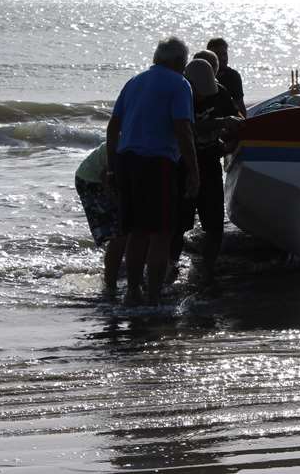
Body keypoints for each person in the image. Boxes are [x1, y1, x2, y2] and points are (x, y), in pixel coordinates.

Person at [106, 38, 199, 306]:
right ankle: (154, 295)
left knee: (136, 231)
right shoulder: (179, 84)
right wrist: (194, 172)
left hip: (127, 161)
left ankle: (133, 291)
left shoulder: (135, 81)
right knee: (161, 233)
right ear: (180, 62)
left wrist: (112, 167)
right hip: (157, 163)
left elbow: (113, 127)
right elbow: (183, 129)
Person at [171, 59, 243, 282]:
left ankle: (207, 268)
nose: (204, 98)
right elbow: (185, 127)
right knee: (178, 222)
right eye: (200, 94)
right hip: (181, 164)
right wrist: (220, 122)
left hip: (210, 162)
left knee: (214, 223)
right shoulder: (178, 94)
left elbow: (238, 120)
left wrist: (231, 142)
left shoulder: (219, 93)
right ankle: (170, 265)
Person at [74, 142, 127, 292]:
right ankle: (110, 285)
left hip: (108, 177)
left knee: (130, 230)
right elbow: (106, 175)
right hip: (92, 180)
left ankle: (126, 275)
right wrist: (118, 203)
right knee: (118, 234)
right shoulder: (127, 144)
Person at [206, 38, 247, 116]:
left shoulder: (233, 76)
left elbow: (240, 105)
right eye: (217, 54)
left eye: (224, 54)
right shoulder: (202, 75)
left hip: (229, 121)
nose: (223, 58)